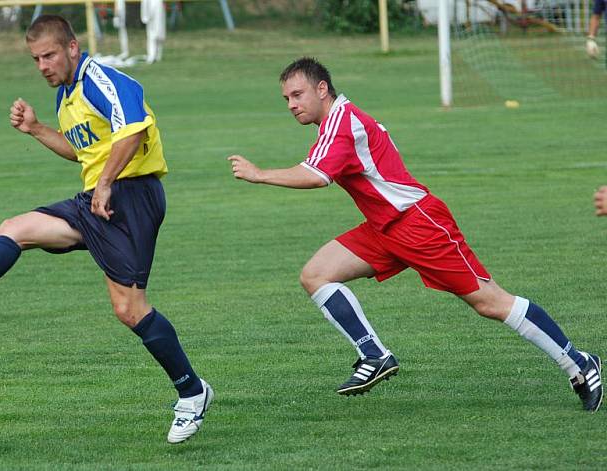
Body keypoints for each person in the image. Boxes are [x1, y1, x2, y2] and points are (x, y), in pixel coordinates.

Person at [0, 15, 212, 443]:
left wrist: (105, 183)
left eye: (49, 55)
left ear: (72, 47)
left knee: (129, 309)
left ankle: (192, 394)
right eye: (35, 59)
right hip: (97, 200)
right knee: (16, 228)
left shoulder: (100, 79)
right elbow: (83, 150)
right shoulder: (67, 97)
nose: (43, 65)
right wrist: (36, 129)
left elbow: (133, 132)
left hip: (131, 197)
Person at [228, 57, 602, 412]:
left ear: (322, 88)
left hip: (417, 225)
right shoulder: (337, 122)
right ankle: (374, 355)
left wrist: (260, 174)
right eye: (286, 99)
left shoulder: (341, 120)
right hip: (383, 228)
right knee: (316, 274)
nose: (292, 104)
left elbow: (315, 175)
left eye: (297, 95)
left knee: (490, 302)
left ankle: (579, 363)